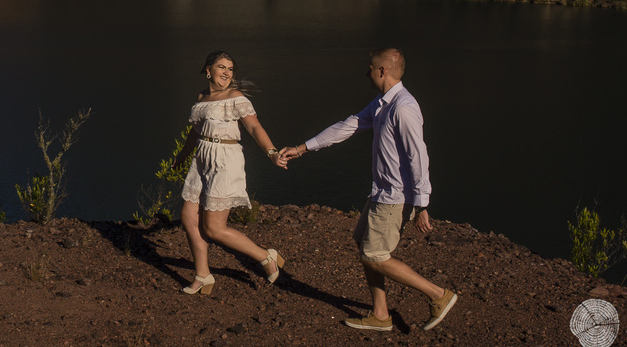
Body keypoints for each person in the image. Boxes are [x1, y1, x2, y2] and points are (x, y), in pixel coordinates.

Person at [280, 48, 458, 331]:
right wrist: (302, 148)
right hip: (381, 192)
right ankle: (380, 313)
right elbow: (347, 127)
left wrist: (422, 204)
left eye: (370, 68)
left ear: (382, 71)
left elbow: (418, 156)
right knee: (363, 241)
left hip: (395, 196)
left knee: (374, 255)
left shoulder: (403, 107)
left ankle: (438, 295)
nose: (367, 73)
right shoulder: (381, 104)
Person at [173, 50, 289, 295]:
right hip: (202, 158)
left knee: (214, 228)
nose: (226, 73)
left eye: (230, 69)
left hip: (225, 160)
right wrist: (182, 156)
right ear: (208, 70)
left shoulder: (236, 97)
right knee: (189, 217)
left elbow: (254, 127)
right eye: (221, 67)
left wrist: (272, 153)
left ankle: (265, 256)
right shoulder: (202, 97)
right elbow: (196, 131)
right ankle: (203, 275)